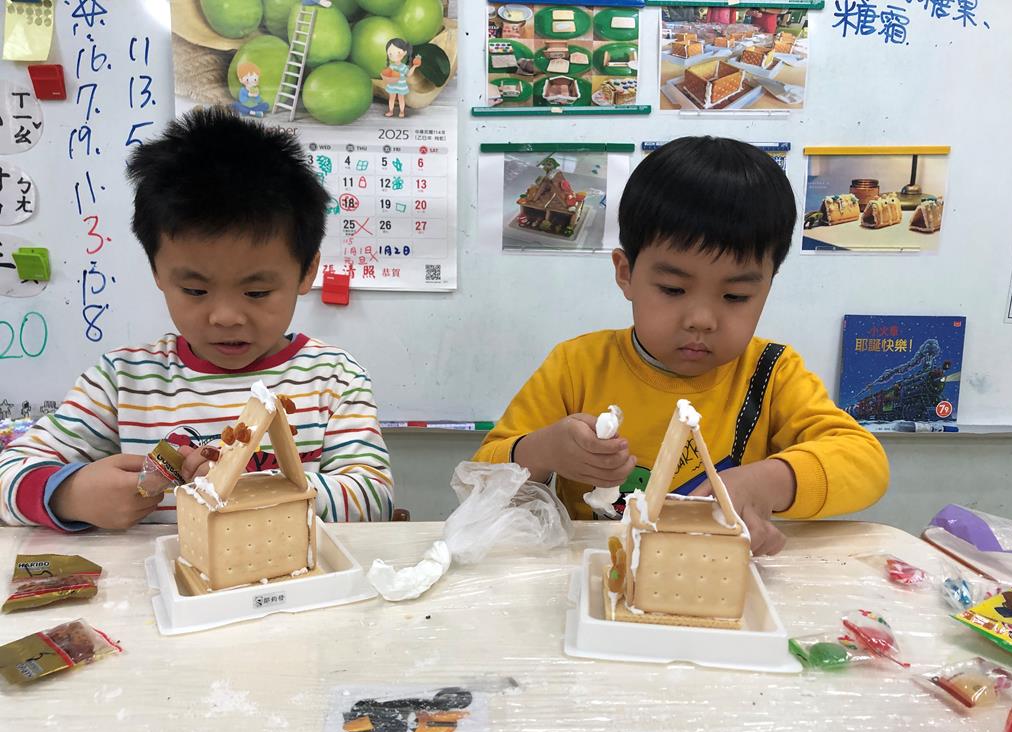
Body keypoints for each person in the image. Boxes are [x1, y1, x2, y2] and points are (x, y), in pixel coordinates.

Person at [474, 137, 889, 555]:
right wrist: (543, 451)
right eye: (673, 289)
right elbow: (479, 478)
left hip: (718, 569)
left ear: (767, 287)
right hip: (599, 573)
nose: (701, 320)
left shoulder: (771, 373)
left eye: (735, 296)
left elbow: (866, 463)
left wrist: (771, 481)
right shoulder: (577, 365)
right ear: (625, 274)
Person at [0, 108, 394, 530]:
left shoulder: (332, 378)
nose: (225, 317)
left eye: (257, 292)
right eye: (194, 290)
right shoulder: (123, 380)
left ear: (306, 272)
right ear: (157, 271)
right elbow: (10, 470)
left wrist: (253, 487)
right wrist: (68, 494)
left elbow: (373, 500)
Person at [382, 38, 421, 118]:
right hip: (392, 85)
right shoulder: (391, 66)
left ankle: (402, 111)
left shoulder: (403, 67)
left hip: (401, 86)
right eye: (390, 54)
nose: (394, 55)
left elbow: (408, 74)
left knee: (401, 99)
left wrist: (414, 66)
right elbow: (388, 74)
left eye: (398, 52)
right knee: (391, 98)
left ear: (405, 52)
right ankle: (391, 111)